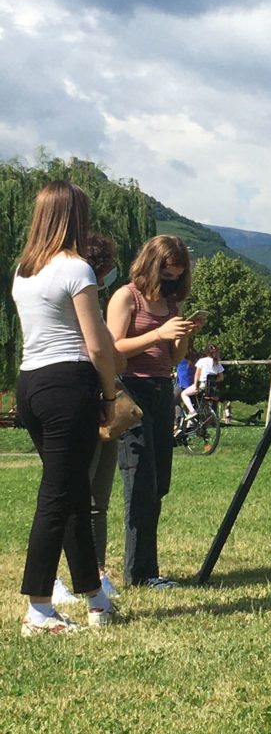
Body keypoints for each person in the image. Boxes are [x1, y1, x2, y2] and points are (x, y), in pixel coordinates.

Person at [12, 181, 118, 634]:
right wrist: (111, 396)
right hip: (68, 385)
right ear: (76, 217)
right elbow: (97, 347)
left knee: (73, 492)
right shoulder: (78, 270)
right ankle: (38, 609)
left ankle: (95, 597)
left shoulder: (22, 270)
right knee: (57, 499)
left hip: (30, 384)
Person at [106, 235, 197, 588]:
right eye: (168, 271)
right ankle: (140, 573)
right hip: (132, 391)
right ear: (152, 264)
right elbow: (114, 349)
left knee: (158, 483)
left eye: (178, 274)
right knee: (139, 479)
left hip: (162, 391)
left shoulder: (171, 303)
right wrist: (158, 334)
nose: (173, 279)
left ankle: (146, 568)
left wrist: (183, 335)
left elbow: (172, 358)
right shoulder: (127, 296)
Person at [52, 232, 124, 606]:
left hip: (99, 406)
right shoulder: (74, 298)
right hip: (82, 401)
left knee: (97, 498)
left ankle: (95, 573)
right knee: (68, 495)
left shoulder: (91, 301)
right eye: (108, 268)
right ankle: (52, 579)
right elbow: (105, 352)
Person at [181, 343, 224, 417]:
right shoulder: (217, 363)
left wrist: (195, 385)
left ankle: (192, 411)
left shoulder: (202, 361)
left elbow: (197, 374)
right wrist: (213, 381)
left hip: (202, 385)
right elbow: (221, 377)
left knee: (184, 394)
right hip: (212, 387)